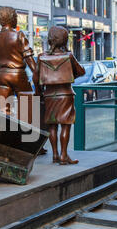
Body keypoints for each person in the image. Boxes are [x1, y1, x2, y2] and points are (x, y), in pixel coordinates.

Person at [33, 26, 85, 165]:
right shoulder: (68, 56)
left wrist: (39, 93)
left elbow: (35, 78)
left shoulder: (41, 57)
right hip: (66, 94)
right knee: (65, 125)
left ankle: (55, 154)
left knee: (52, 126)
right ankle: (64, 155)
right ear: (64, 41)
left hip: (49, 95)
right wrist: (69, 73)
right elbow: (81, 71)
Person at [0, 7, 36, 115]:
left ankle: (7, 131)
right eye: (16, 17)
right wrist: (37, 72)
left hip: (3, 76)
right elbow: (28, 57)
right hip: (18, 75)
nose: (17, 20)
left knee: (5, 110)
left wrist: (1, 72)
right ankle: (25, 130)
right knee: (26, 106)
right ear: (12, 19)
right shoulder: (19, 35)